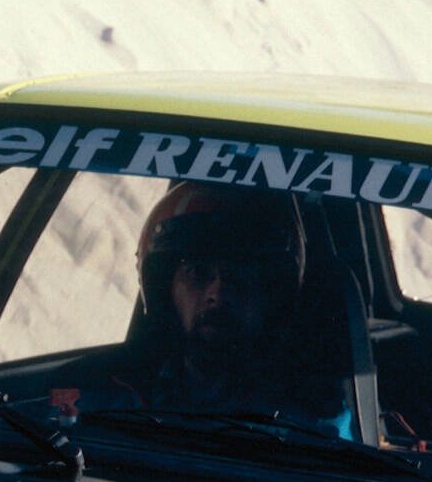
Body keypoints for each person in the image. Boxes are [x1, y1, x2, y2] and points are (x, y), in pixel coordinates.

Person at [77, 183, 356, 436]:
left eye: (242, 277)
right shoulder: (111, 394)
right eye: (197, 273)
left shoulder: (315, 419)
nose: (218, 294)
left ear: (271, 295)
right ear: (166, 290)